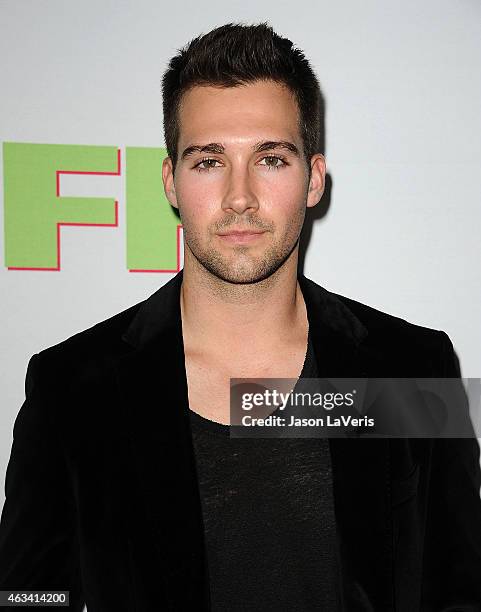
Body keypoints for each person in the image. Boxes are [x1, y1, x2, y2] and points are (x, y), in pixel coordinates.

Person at [0, 21, 480, 612]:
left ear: (314, 179)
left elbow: (459, 590)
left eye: (271, 159)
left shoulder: (411, 368)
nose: (239, 197)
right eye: (208, 162)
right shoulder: (74, 386)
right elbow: (27, 595)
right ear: (171, 181)